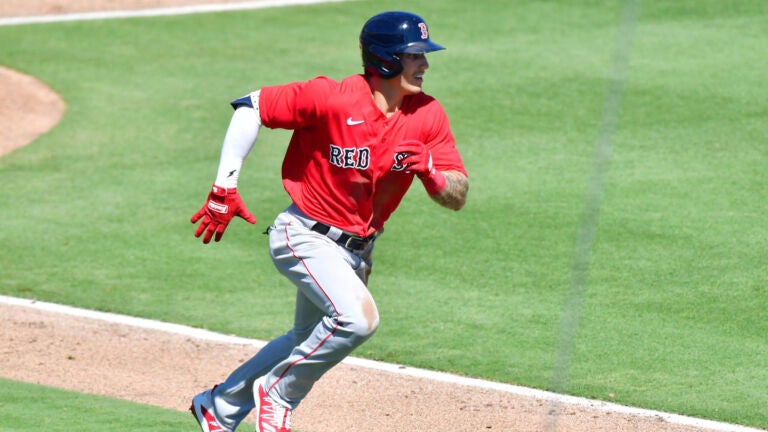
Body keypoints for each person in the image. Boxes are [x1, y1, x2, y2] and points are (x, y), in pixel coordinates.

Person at [188, 10, 469, 432]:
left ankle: (220, 406)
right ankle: (279, 393)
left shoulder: (427, 115)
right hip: (303, 235)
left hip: (358, 251)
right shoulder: (332, 97)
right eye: (415, 55)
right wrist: (223, 186)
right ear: (387, 59)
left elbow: (458, 193)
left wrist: (432, 173)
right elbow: (251, 106)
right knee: (358, 320)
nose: (425, 64)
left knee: (304, 338)